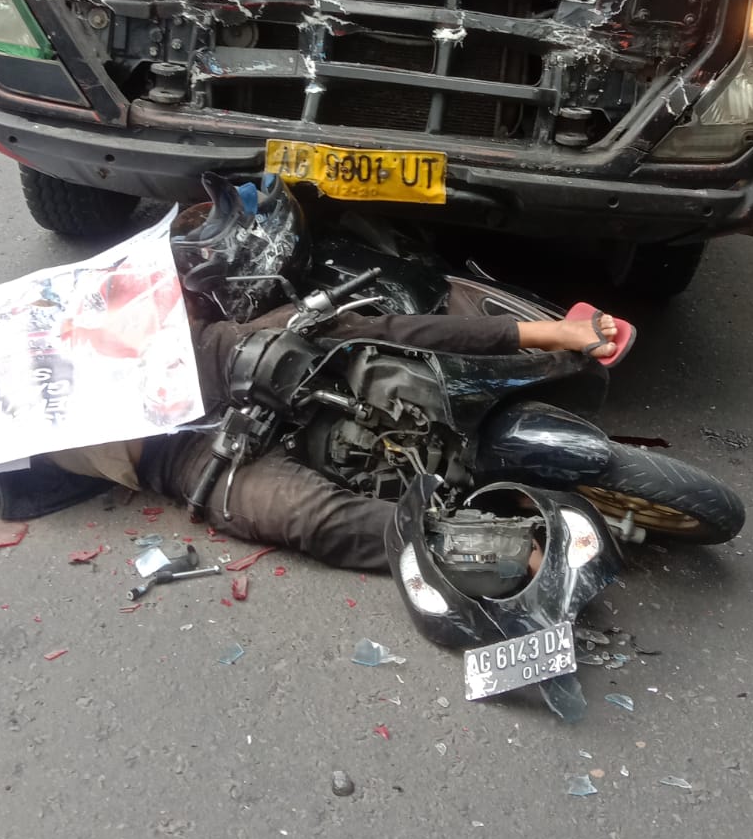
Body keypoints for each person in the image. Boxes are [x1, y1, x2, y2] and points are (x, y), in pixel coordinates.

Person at [38, 175, 631, 570]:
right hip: (171, 455)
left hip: (197, 358)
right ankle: (494, 545)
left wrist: (545, 335)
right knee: (311, 518)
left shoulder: (224, 321)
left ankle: (543, 336)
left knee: (355, 328)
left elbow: (388, 330)